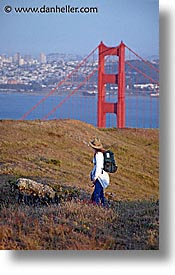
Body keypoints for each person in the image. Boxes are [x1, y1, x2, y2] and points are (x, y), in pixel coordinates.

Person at [89, 137, 109, 206]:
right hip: (102, 176)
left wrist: (95, 177)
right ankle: (103, 206)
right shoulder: (101, 154)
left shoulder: (98, 155)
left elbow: (98, 167)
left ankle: (98, 207)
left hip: (100, 177)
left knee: (97, 193)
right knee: (100, 193)